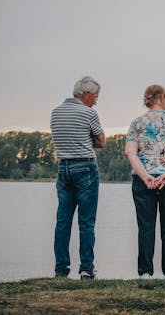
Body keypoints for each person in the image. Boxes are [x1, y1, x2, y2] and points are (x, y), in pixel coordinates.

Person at [124, 84, 165, 278]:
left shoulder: (137, 123)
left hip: (142, 179)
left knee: (145, 228)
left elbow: (130, 152)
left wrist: (145, 175)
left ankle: (145, 272)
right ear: (162, 98)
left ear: (147, 99)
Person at [50, 76, 105, 280]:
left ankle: (60, 270)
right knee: (86, 222)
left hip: (63, 167)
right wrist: (86, 139)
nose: (96, 101)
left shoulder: (55, 112)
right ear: (87, 95)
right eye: (96, 97)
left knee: (62, 221)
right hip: (85, 168)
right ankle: (86, 269)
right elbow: (101, 141)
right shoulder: (89, 113)